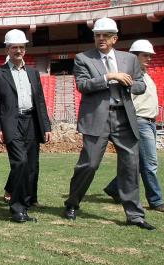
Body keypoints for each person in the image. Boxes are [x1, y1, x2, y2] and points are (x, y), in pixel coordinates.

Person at [63, 17, 155, 230]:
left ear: (115, 38)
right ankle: (72, 203)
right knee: (89, 164)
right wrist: (109, 77)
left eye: (105, 35)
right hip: (97, 118)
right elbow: (83, 85)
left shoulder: (130, 60)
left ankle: (135, 215)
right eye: (97, 35)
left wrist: (128, 84)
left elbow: (141, 85)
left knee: (130, 166)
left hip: (125, 118)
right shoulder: (82, 58)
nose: (101, 38)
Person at [103, 39, 164, 214]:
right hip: (140, 121)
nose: (149, 58)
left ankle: (114, 187)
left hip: (150, 121)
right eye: (145, 55)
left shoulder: (145, 75)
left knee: (140, 162)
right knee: (150, 163)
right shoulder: (129, 75)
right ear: (134, 56)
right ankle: (156, 200)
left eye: (150, 56)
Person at [0, 29, 52, 223]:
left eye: (22, 47)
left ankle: (24, 203)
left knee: (32, 166)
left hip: (32, 121)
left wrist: (47, 126)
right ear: (7, 49)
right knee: (20, 162)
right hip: (11, 123)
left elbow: (40, 101)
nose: (18, 50)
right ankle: (17, 208)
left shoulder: (33, 73)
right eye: (14, 47)